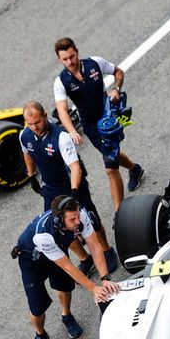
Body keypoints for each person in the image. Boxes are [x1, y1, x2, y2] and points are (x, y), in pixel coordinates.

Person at [15, 195, 118, 339]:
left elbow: (94, 245)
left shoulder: (80, 215)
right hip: (32, 261)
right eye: (72, 219)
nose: (77, 221)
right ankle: (41, 335)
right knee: (37, 308)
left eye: (77, 216)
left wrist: (105, 278)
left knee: (64, 287)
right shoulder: (43, 235)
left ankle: (66, 315)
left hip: (57, 252)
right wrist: (94, 288)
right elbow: (68, 266)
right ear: (59, 219)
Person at [21, 101, 118, 276]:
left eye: (37, 122)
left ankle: (106, 249)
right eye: (30, 124)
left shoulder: (61, 137)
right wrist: (31, 175)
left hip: (73, 186)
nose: (34, 127)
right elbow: (27, 153)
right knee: (57, 226)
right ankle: (84, 258)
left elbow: (75, 168)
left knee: (91, 221)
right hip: (50, 189)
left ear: (45, 116)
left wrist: (73, 192)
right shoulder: (25, 136)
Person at [53, 37, 144, 211]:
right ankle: (135, 169)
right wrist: (72, 130)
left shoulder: (95, 63)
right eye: (65, 59)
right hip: (91, 127)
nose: (70, 62)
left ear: (77, 51)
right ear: (60, 59)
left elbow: (118, 72)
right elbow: (62, 110)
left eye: (72, 56)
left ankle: (119, 212)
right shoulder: (61, 82)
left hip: (108, 119)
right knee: (111, 153)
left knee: (110, 168)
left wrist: (116, 89)